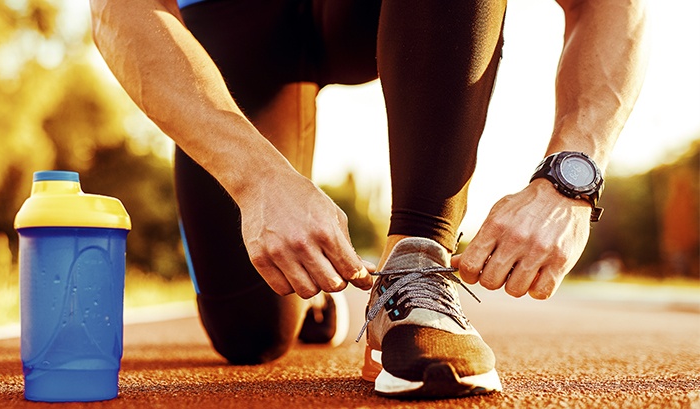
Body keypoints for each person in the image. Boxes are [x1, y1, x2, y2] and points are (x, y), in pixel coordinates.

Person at [89, 0, 648, 399]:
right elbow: (117, 11)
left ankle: (415, 272)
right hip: (234, 16)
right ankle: (317, 298)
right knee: (249, 335)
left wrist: (570, 180)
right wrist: (256, 180)